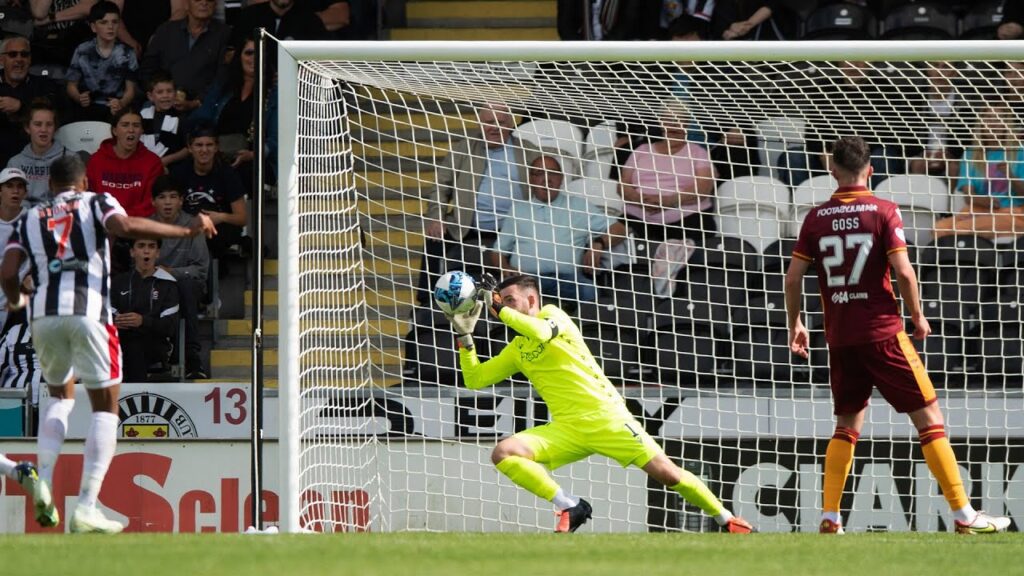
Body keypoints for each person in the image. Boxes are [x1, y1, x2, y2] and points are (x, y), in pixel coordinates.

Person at [784, 136, 1011, 535]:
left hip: (840, 337)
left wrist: (795, 323)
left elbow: (792, 278)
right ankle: (964, 515)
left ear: (832, 170)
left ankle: (830, 515)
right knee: (929, 418)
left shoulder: (815, 218)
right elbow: (904, 272)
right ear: (870, 170)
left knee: (846, 425)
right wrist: (918, 316)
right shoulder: (883, 210)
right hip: (882, 333)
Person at [0, 155, 216, 532]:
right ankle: (86, 506)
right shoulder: (97, 201)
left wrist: (17, 299)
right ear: (84, 182)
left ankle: (43, 479)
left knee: (59, 398)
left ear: (50, 185)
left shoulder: (30, 217)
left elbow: (7, 271)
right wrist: (185, 232)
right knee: (106, 408)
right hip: (90, 313)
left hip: (44, 317)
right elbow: (126, 226)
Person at [446, 273, 754, 533]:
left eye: (510, 300)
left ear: (531, 299)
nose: (502, 305)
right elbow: (475, 379)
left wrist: (499, 309)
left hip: (608, 418)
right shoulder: (517, 348)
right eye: (501, 301)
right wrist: (464, 337)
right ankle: (570, 505)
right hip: (567, 429)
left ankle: (727, 520)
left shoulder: (553, 316)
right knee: (504, 452)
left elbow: (540, 332)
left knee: (668, 474)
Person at [417, 104, 535, 305]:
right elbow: (441, 185)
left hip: (513, 230)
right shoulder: (464, 148)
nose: (495, 128)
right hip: (466, 226)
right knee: (434, 240)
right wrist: (436, 217)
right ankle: (427, 305)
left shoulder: (527, 151)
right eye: (489, 122)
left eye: (501, 122)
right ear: (480, 124)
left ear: (511, 125)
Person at [490, 154, 626, 304]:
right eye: (539, 173)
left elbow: (620, 229)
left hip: (568, 280)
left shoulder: (578, 206)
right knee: (506, 294)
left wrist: (599, 243)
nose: (546, 179)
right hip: (527, 280)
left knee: (589, 290)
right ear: (530, 179)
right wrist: (505, 268)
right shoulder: (518, 209)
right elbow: (498, 252)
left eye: (552, 173)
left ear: (561, 178)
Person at [619, 103, 717, 245]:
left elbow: (704, 187)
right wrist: (639, 199)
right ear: (661, 123)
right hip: (637, 216)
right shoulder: (642, 150)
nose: (674, 125)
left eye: (679, 120)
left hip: (685, 218)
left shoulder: (698, 152)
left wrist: (668, 201)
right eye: (669, 120)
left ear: (687, 124)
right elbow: (623, 184)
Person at [933, 104, 1024, 240]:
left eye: (998, 119)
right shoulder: (970, 154)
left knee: (959, 229)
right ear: (981, 123)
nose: (993, 123)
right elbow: (968, 196)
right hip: (980, 209)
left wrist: (1010, 176)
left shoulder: (1020, 152)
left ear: (1006, 124)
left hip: (1014, 212)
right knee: (938, 228)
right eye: (988, 118)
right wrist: (983, 201)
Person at [149, 175, 209, 379]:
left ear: (181, 201)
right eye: (162, 197)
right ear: (153, 202)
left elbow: (200, 269)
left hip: (187, 286)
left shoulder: (193, 225)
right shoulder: (145, 226)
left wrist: (171, 273)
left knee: (184, 286)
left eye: (173, 197)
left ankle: (191, 357)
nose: (167, 202)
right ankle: (156, 354)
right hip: (155, 285)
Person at [170, 125, 247, 261]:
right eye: (199, 145)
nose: (204, 150)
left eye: (209, 145)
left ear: (216, 147)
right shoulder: (179, 173)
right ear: (190, 148)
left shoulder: (228, 174)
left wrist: (220, 217)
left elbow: (242, 218)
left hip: (218, 232)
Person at [141, 0, 230, 115]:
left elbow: (222, 77)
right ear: (186, 4)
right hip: (161, 102)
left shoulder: (225, 34)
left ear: (215, 4)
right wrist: (160, 95)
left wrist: (196, 102)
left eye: (209, 0)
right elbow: (147, 69)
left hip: (204, 106)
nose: (204, 2)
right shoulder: (166, 31)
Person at [110, 237, 180, 382]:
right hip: (121, 340)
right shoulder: (118, 282)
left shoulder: (168, 284)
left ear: (158, 253)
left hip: (155, 343)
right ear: (132, 252)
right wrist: (115, 322)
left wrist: (142, 321)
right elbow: (105, 316)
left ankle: (131, 390)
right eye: (141, 246)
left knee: (136, 346)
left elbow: (170, 326)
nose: (146, 251)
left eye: (151, 246)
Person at [65, 1, 138, 122]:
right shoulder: (82, 50)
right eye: (104, 22)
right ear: (93, 27)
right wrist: (79, 97)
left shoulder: (128, 52)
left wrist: (121, 103)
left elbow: (130, 90)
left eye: (114, 22)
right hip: (88, 108)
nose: (110, 27)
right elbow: (71, 86)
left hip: (116, 109)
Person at [86, 106, 164, 217]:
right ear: (115, 131)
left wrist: (123, 219)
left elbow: (151, 202)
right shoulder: (96, 160)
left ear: (142, 131)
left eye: (136, 125)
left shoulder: (153, 162)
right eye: (125, 125)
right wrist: (109, 218)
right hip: (102, 221)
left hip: (137, 223)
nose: (131, 130)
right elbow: (89, 197)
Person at [7, 98, 85, 206]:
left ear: (55, 128)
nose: (43, 129)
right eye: (38, 124)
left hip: (58, 213)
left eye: (49, 124)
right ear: (27, 128)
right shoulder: (15, 163)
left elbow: (77, 199)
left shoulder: (70, 160)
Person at [0, 36, 60, 167]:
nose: (19, 59)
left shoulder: (44, 85)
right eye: (12, 54)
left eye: (24, 55)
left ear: (30, 59)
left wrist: (21, 107)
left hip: (37, 160)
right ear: (1, 60)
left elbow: (57, 112)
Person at [140, 72, 189, 167]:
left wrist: (166, 160)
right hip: (142, 163)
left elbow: (188, 148)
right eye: (160, 92)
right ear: (150, 96)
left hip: (170, 167)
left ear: (175, 94)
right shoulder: (142, 115)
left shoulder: (181, 119)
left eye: (169, 91)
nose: (165, 95)